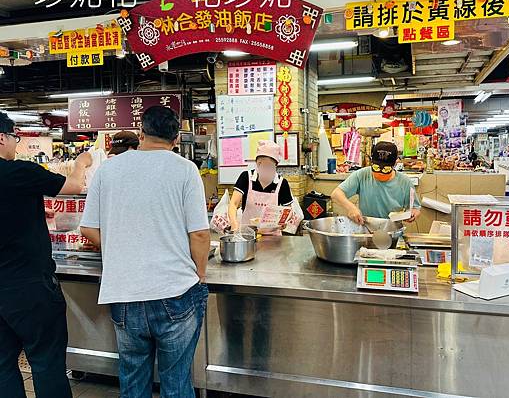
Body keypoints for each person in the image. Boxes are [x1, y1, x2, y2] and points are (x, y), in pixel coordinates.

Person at [80, 106, 211, 398]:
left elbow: (88, 229)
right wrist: (200, 273)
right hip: (175, 292)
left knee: (133, 381)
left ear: (141, 133)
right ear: (176, 139)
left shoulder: (109, 169)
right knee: (176, 382)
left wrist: (118, 247)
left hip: (124, 294)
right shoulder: (185, 169)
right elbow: (200, 234)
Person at [0, 111, 91, 398]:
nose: (16, 143)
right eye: (15, 137)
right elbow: (75, 187)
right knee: (46, 363)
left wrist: (35, 210)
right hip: (29, 287)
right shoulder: (19, 172)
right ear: (1, 137)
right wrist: (81, 163)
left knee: (2, 366)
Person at [331, 141, 421, 224]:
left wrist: (412, 213)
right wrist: (351, 207)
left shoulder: (405, 182)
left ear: (395, 164)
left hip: (392, 229)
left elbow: (415, 208)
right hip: (367, 228)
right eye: (376, 168)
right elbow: (336, 194)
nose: (380, 173)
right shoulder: (363, 175)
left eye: (386, 169)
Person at [228, 140, 293, 235]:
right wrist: (234, 224)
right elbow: (233, 204)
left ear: (275, 166)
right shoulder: (246, 177)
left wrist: (284, 221)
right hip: (248, 234)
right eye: (260, 164)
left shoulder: (281, 183)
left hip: (273, 236)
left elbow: (288, 210)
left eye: (268, 165)